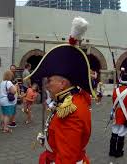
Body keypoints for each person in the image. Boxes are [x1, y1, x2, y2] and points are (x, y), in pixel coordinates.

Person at [26, 17, 94, 163]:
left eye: (50, 80)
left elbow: (66, 158)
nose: (47, 85)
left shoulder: (70, 111)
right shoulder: (73, 99)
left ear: (63, 84)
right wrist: (50, 140)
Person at [109, 73, 127, 158]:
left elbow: (114, 102)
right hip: (125, 114)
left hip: (116, 113)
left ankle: (112, 151)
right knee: (122, 133)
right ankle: (118, 152)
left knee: (114, 132)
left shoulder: (115, 90)